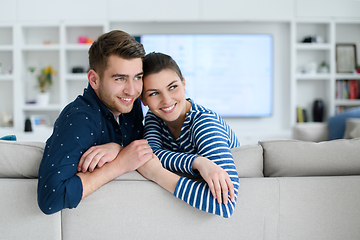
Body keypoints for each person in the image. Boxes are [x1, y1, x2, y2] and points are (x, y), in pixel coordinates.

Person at [37, 30, 153, 215]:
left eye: (137, 77)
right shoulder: (80, 118)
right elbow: (51, 198)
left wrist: (118, 149)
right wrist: (119, 163)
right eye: (120, 79)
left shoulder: (129, 105)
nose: (132, 90)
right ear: (94, 79)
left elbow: (143, 152)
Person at [138, 52, 241, 218]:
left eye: (173, 87)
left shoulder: (204, 123)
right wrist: (197, 161)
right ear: (143, 99)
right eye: (154, 93)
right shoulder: (154, 117)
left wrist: (157, 173)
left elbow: (225, 205)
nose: (166, 100)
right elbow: (150, 154)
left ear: (183, 83)